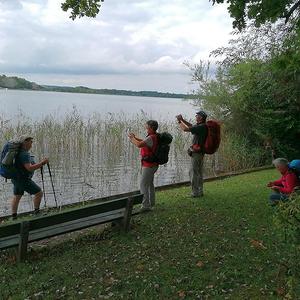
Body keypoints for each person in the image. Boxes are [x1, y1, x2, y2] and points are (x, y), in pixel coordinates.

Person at [11, 135, 49, 219]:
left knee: (17, 196)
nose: (32, 143)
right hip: (23, 179)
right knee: (39, 193)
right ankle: (37, 213)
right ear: (25, 142)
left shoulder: (18, 152)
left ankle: (14, 216)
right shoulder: (24, 154)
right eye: (31, 142)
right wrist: (42, 163)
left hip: (15, 178)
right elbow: (29, 168)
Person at [128, 120, 159, 212]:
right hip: (153, 165)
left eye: (147, 126)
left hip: (148, 165)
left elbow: (139, 145)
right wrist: (135, 138)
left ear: (151, 127)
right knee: (149, 184)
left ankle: (145, 206)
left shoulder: (151, 137)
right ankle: (151, 203)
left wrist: (132, 138)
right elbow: (143, 142)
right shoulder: (155, 136)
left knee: (143, 184)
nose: (146, 127)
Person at [176, 111, 208, 197]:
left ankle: (195, 193)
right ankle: (200, 191)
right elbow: (191, 126)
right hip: (200, 153)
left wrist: (179, 121)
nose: (196, 116)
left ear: (201, 117)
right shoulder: (202, 126)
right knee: (199, 172)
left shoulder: (201, 126)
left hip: (197, 153)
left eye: (197, 115)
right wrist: (182, 120)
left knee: (193, 172)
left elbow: (185, 129)